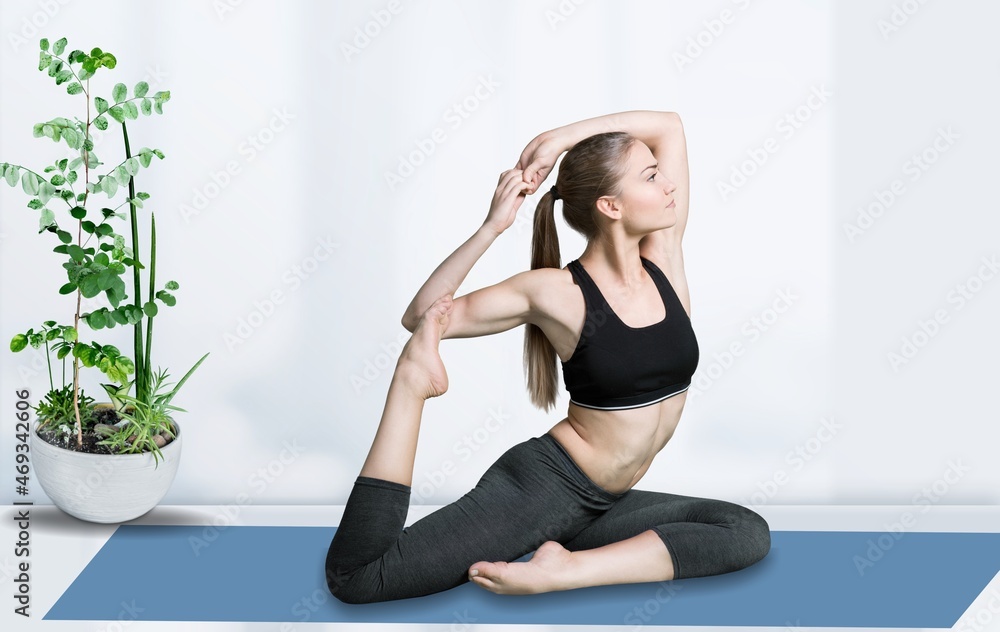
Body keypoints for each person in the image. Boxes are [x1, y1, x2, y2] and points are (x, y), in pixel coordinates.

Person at [325, 110, 771, 604]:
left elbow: (669, 126)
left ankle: (564, 569)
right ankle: (410, 387)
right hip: (544, 490)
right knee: (361, 578)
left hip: (604, 503)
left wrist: (562, 138)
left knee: (742, 529)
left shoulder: (663, 260)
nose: (669, 184)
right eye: (650, 175)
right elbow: (424, 317)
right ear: (610, 205)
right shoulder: (558, 293)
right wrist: (492, 227)